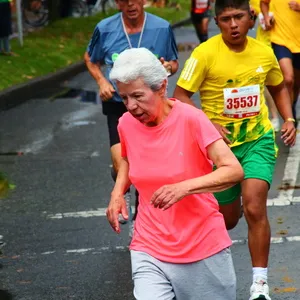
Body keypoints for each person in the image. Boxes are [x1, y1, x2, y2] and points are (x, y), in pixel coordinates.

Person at [173, 0, 297, 298]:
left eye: (238, 17)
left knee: (255, 206)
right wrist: (207, 125)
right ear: (216, 21)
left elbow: (278, 85)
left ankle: (259, 284)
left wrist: (289, 117)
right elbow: (179, 96)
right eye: (226, 19)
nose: (233, 25)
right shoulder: (204, 54)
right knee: (227, 219)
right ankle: (234, 205)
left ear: (251, 17)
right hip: (219, 150)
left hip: (258, 140)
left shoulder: (263, 52)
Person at [106, 47, 244, 299]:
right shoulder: (126, 123)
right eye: (124, 98)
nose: (131, 106)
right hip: (149, 244)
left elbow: (233, 170)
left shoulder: (192, 119)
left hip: (201, 246)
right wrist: (117, 192)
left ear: (161, 87)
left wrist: (184, 187)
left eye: (137, 95)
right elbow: (127, 159)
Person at [84, 0, 178, 230]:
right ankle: (120, 180)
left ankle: (143, 213)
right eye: (123, 0)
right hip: (118, 104)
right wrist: (102, 81)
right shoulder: (105, 28)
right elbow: (90, 58)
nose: (130, 4)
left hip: (151, 104)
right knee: (121, 164)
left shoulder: (161, 27)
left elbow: (174, 62)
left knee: (150, 163)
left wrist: (167, 66)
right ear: (117, 3)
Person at [261, 0, 300, 126]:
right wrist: (266, 17)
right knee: (288, 78)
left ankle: (292, 105)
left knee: (296, 84)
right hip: (280, 38)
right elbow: (264, 3)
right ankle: (291, 119)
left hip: (298, 40)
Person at [249, 0, 280, 131]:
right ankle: (274, 116)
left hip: (288, 42)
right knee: (267, 81)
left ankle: (288, 113)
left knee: (287, 79)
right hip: (264, 43)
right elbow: (250, 23)